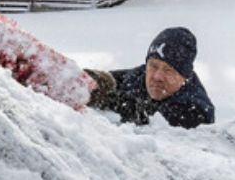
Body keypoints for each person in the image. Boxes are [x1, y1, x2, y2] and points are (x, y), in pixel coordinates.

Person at [85, 27, 215, 129]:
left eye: (168, 70)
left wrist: (108, 100)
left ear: (184, 76)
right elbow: (111, 80)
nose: (157, 76)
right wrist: (89, 80)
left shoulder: (195, 111)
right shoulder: (141, 75)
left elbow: (150, 118)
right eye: (153, 66)